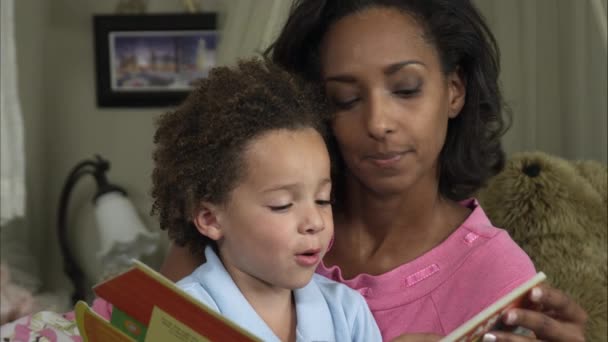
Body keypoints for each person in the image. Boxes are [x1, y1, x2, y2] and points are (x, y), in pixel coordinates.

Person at [161, 1, 588, 341]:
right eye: (346, 99)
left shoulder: (496, 277)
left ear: (454, 90)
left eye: (406, 89)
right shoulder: (234, 238)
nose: (378, 123)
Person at [151, 58, 382, 342]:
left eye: (323, 200)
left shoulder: (348, 313)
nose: (314, 222)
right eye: (282, 205)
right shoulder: (180, 318)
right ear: (210, 219)